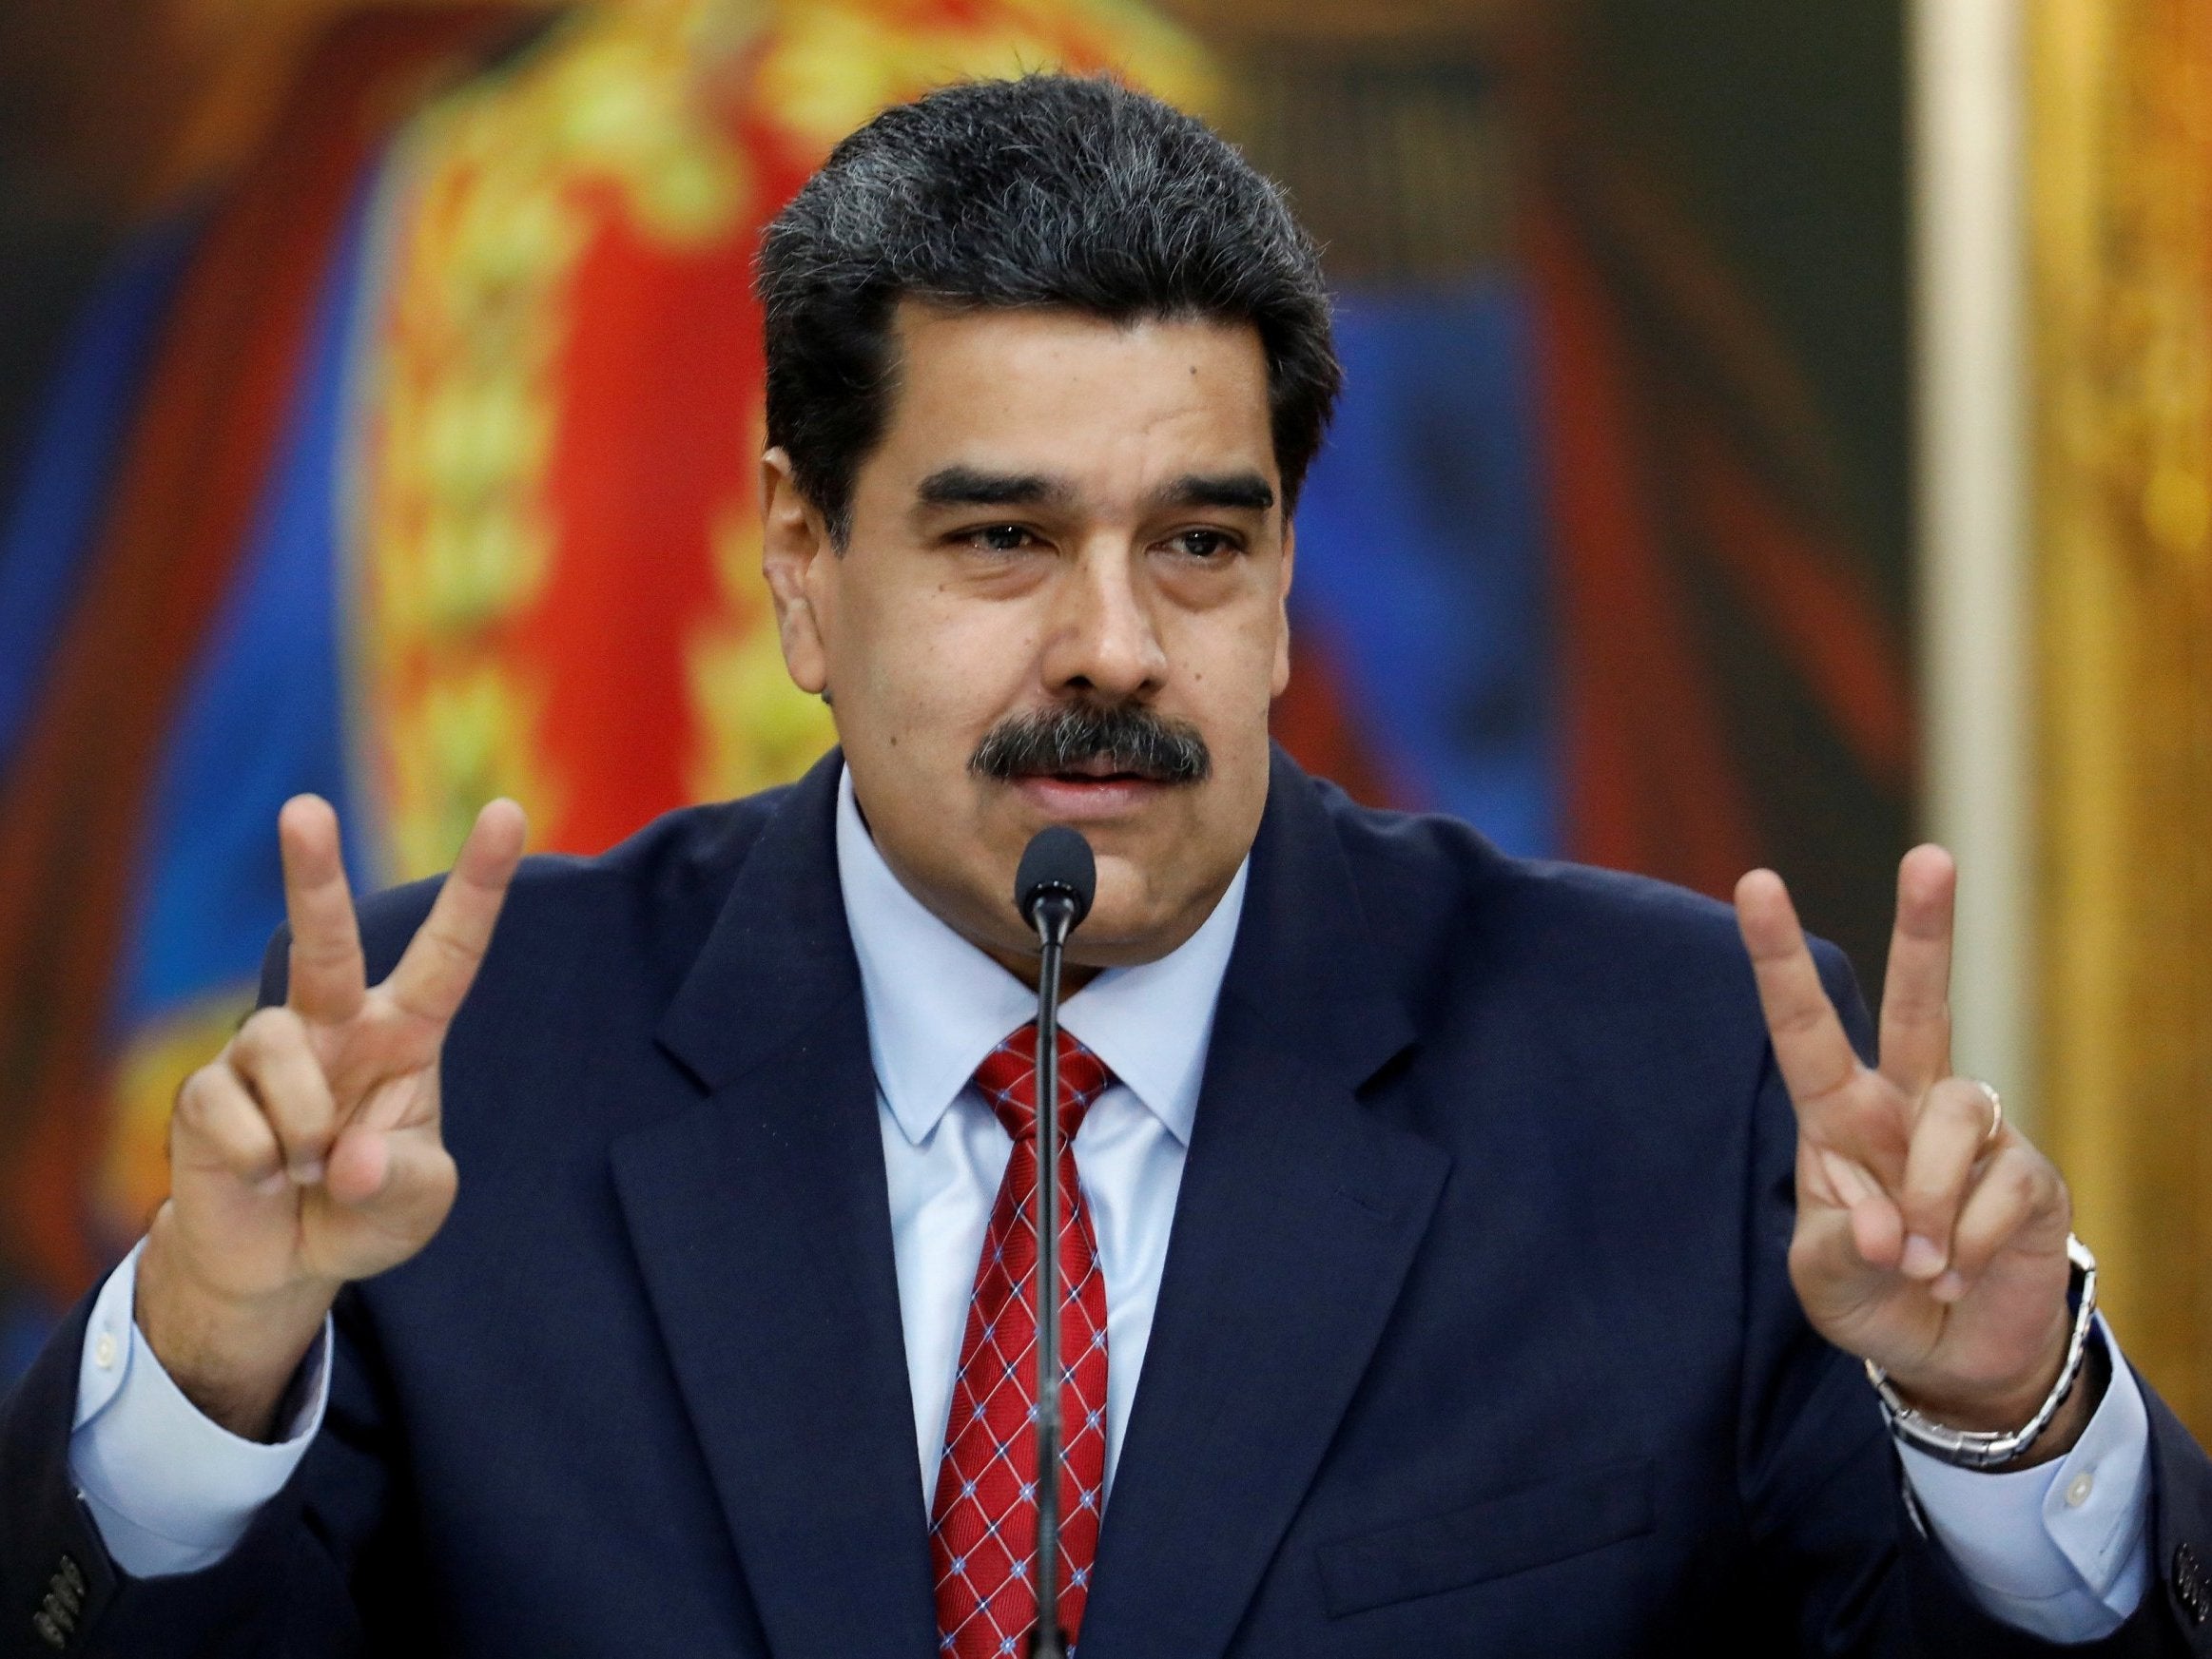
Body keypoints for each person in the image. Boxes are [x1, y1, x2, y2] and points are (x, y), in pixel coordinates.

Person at [5, 72, 2209, 1657]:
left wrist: (2005, 1422)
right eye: (996, 541)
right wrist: (200, 1372)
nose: (1111, 649)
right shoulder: (469, 1070)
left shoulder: (1658, 1072)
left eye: (1198, 544)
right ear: (799, 570)